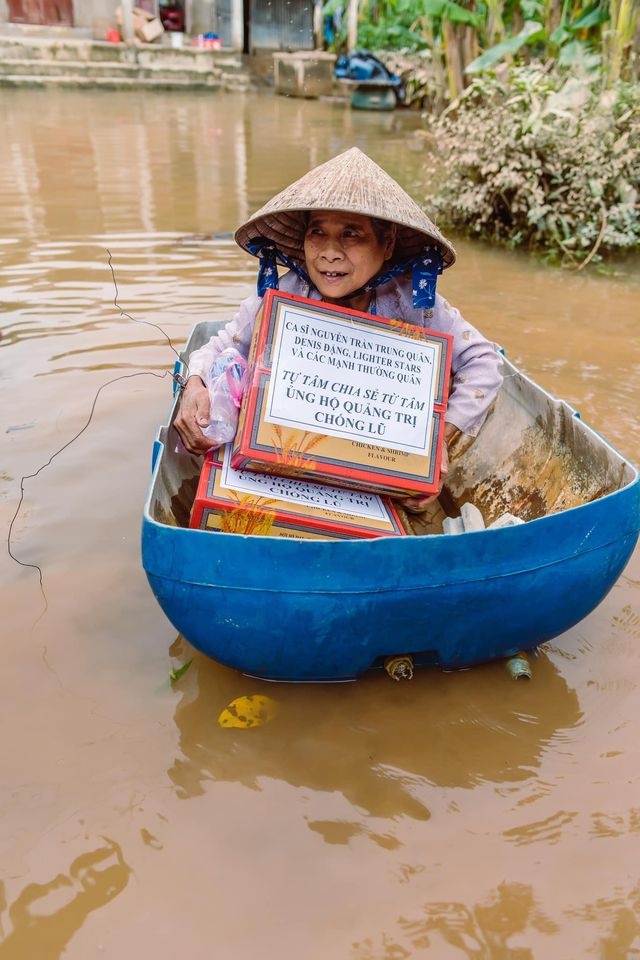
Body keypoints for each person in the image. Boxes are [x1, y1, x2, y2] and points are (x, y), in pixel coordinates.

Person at [174, 147, 502, 512]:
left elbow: (484, 365)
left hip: (381, 465)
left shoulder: (415, 302)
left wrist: (436, 445)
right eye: (318, 233)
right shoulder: (285, 295)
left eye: (351, 234)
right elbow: (218, 346)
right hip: (292, 465)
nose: (329, 253)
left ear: (388, 243)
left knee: (417, 504)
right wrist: (195, 384)